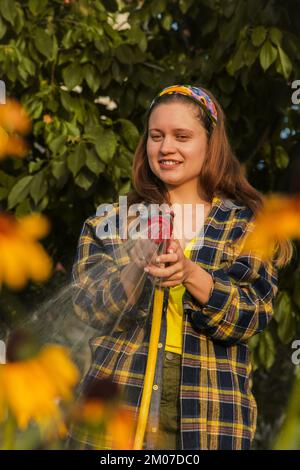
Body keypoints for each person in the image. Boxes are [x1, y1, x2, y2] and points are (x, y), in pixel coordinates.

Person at [69, 84, 293, 450]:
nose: (165, 148)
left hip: (211, 412)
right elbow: (88, 308)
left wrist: (190, 273)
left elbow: (251, 315)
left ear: (211, 143)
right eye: (156, 136)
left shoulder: (246, 226)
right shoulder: (112, 221)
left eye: (182, 136)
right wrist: (134, 268)